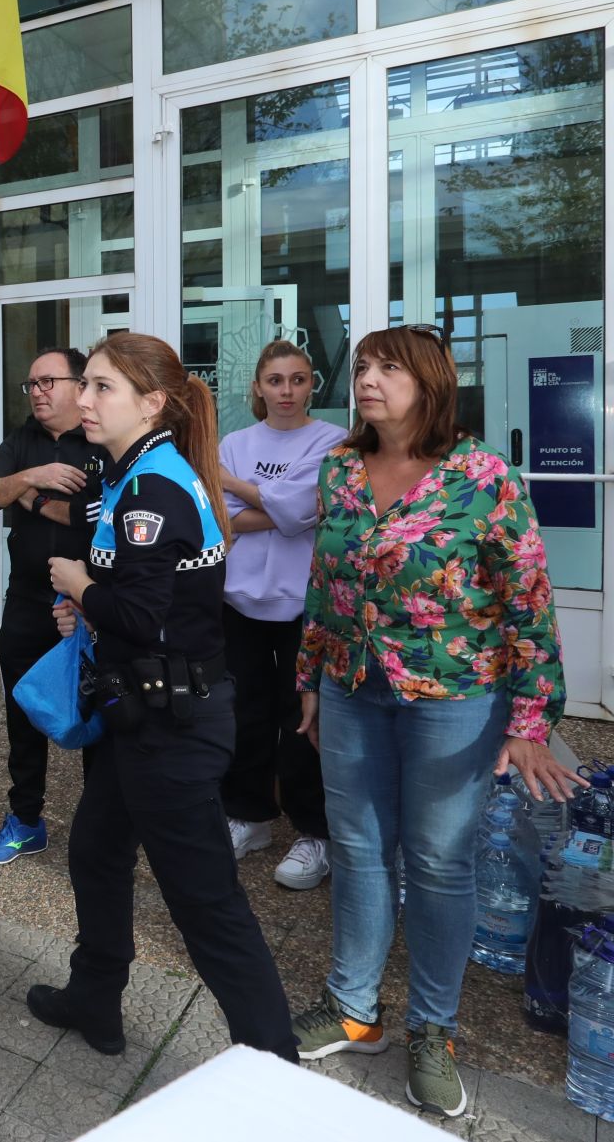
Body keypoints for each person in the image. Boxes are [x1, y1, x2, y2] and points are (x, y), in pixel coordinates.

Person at [289, 325, 580, 1119]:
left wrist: (529, 720)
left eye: (389, 367)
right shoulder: (341, 467)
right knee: (356, 848)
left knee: (441, 862)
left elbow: (528, 598)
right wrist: (310, 675)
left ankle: (432, 1029)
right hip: (352, 686)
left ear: (431, 381)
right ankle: (354, 1007)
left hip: (455, 697)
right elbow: (326, 579)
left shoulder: (483, 474)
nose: (369, 379)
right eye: (364, 367)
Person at [34, 332, 296, 1062]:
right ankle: (95, 997)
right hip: (144, 711)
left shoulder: (152, 484)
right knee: (95, 849)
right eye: (83, 384)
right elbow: (153, 599)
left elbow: (143, 617)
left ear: (151, 403)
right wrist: (90, 606)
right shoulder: (132, 474)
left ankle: (274, 1062)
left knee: (205, 903)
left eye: (101, 388)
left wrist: (80, 586)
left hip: (174, 727)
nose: (82, 400)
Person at [217, 342, 347, 890]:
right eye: (275, 380)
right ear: (258, 387)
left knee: (302, 720)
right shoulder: (234, 442)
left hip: (303, 605)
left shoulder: (334, 441)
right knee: (244, 712)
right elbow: (221, 521)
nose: (286, 391)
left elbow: (306, 511)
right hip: (238, 601)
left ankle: (313, 832)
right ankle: (249, 817)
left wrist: (238, 490)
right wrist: (282, 506)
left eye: (297, 380)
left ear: (311, 384)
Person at [0, 346, 100, 865]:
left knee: (96, 717)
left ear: (79, 385)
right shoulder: (23, 439)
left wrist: (30, 499)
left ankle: (98, 830)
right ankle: (25, 820)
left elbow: (94, 517)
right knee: (23, 714)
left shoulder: (100, 440)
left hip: (88, 605)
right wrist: (32, 476)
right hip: (26, 602)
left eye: (48, 382)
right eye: (32, 384)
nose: (38, 393)